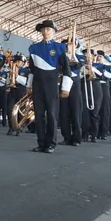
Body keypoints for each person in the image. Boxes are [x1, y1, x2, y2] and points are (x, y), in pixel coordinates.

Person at [27, 20, 72, 154]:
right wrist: (29, 86)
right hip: (37, 84)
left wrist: (65, 88)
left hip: (52, 84)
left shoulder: (59, 47)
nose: (46, 32)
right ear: (41, 32)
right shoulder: (34, 48)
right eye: (44, 29)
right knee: (39, 114)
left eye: (48, 29)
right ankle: (41, 143)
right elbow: (31, 69)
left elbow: (67, 70)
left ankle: (51, 143)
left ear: (53, 32)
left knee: (52, 114)